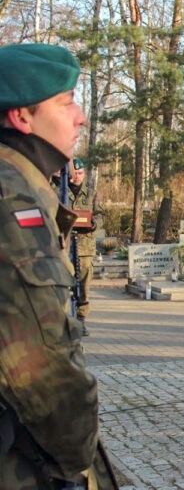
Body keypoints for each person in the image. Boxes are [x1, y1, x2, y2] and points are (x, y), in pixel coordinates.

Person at [0, 43, 117, 488]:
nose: (80, 116)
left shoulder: (25, 186)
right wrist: (77, 457)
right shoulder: (11, 198)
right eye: (65, 102)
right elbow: (41, 367)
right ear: (22, 118)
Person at [68, 157, 102, 335]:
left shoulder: (91, 194)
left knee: (84, 285)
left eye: (80, 173)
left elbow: (100, 215)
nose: (77, 177)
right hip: (64, 245)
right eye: (74, 174)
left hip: (84, 247)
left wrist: (95, 223)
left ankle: (81, 320)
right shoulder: (60, 191)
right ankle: (65, 319)